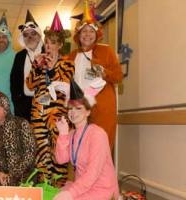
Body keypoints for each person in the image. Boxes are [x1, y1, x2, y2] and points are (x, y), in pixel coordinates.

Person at [26, 12, 74, 186]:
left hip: (57, 114)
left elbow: (66, 82)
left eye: (53, 42)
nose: (48, 46)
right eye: (47, 42)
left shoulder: (67, 63)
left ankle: (59, 189)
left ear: (60, 44)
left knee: (58, 151)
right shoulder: (40, 62)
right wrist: (37, 67)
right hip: (38, 112)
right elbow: (30, 85)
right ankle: (43, 187)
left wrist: (53, 67)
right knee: (41, 152)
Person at [68, 0, 122, 151]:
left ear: (96, 33)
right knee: (81, 150)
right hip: (79, 112)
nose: (87, 34)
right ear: (78, 35)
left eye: (91, 31)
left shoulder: (106, 51)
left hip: (101, 110)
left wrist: (104, 72)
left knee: (101, 149)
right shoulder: (71, 56)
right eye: (84, 31)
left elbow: (118, 76)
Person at [53, 80, 119, 200]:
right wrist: (63, 134)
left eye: (78, 108)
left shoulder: (98, 134)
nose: (73, 113)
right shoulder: (72, 133)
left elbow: (92, 173)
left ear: (88, 111)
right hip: (83, 186)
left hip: (102, 189)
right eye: (70, 108)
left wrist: (71, 193)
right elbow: (61, 159)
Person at [0, 85, 36, 186]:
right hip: (0, 177)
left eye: (1, 106)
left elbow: (30, 152)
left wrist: (13, 174)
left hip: (22, 175)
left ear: (6, 106)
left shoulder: (21, 124)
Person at [10, 10, 43, 121]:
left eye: (33, 33)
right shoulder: (19, 56)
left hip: (43, 103)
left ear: (39, 35)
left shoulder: (46, 53)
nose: (30, 37)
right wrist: (17, 103)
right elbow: (14, 81)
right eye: (26, 35)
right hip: (23, 105)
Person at [0, 12, 15, 112]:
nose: (1, 40)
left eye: (4, 37)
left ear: (8, 39)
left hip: (10, 103)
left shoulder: (16, 56)